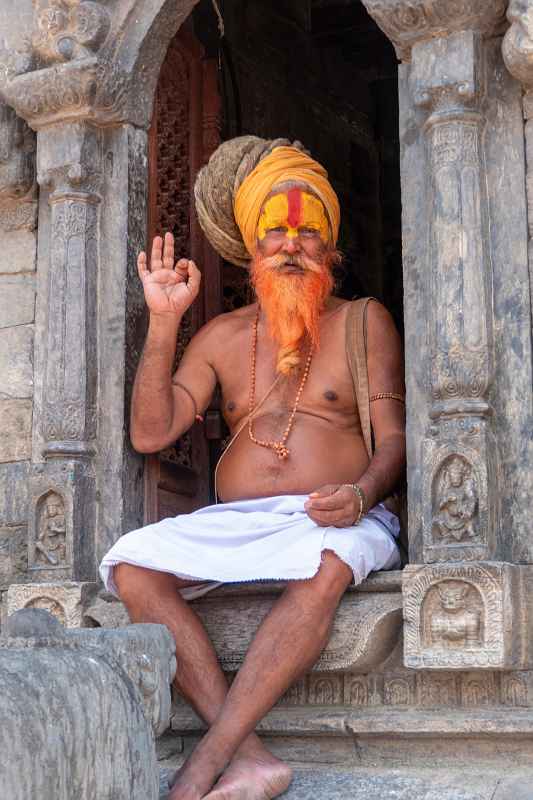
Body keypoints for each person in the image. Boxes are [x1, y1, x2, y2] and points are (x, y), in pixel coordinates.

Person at [99, 136, 406, 800]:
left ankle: (207, 759)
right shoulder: (221, 336)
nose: (291, 245)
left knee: (330, 561)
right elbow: (150, 432)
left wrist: (361, 495)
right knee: (131, 566)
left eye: (308, 232)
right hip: (240, 520)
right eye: (275, 232)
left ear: (330, 247)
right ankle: (251, 758)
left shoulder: (363, 321)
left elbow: (394, 440)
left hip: (337, 516)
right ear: (250, 245)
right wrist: (164, 321)